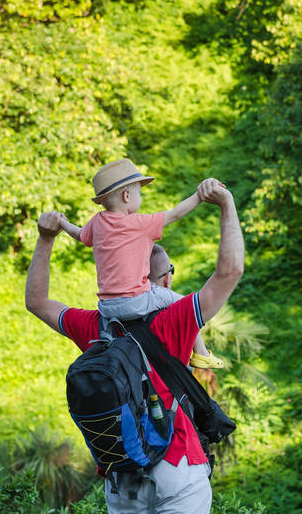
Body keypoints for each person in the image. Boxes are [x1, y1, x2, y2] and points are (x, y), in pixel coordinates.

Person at [25, 177, 244, 514]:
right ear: (153, 270)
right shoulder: (171, 318)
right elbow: (229, 272)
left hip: (120, 467)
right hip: (177, 459)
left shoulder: (95, 328)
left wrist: (48, 237)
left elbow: (36, 301)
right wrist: (226, 206)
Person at [58, 157, 222, 369]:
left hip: (107, 308)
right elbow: (175, 214)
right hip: (136, 302)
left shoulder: (97, 223)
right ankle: (200, 353)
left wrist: (63, 223)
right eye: (139, 193)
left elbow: (80, 235)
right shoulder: (139, 224)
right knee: (185, 305)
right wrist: (200, 196)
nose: (140, 197)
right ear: (127, 196)